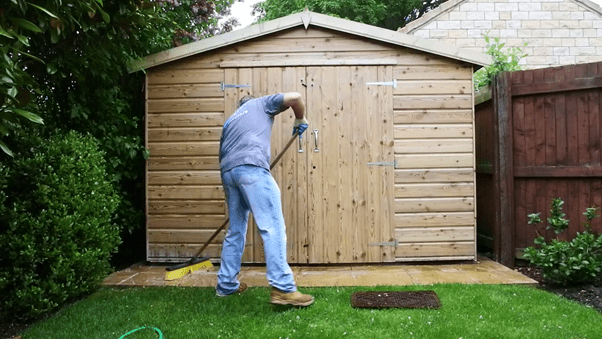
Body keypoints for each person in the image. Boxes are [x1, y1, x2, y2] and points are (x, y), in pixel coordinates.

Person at [216, 92, 314, 306]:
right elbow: (295, 97)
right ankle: (283, 288)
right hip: (251, 168)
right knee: (272, 226)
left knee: (235, 230)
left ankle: (226, 285)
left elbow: (222, 155)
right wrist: (300, 118)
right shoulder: (261, 103)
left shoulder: (231, 120)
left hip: (228, 172)